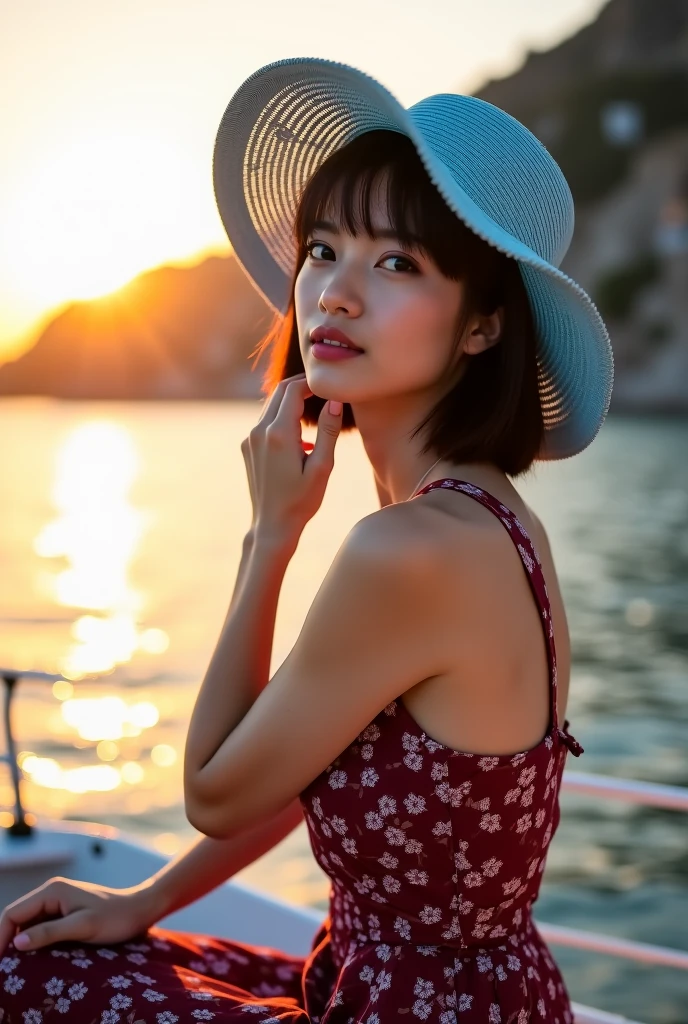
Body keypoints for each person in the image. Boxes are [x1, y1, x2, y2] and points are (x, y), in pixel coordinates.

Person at [0, 56, 613, 1023]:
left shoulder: (411, 551)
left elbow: (214, 790)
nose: (334, 293)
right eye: (324, 248)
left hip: (407, 1005)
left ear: (483, 327)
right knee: (83, 945)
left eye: (399, 264)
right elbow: (305, 760)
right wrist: (145, 901)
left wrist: (270, 535)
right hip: (487, 994)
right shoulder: (494, 517)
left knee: (21, 975)